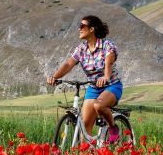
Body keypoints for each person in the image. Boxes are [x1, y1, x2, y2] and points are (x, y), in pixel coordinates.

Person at [47, 14, 123, 142]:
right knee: (85, 128)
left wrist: (106, 76)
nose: (79, 29)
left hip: (111, 85)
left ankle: (113, 128)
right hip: (93, 88)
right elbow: (68, 64)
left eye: (82, 26)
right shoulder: (81, 49)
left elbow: (109, 61)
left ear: (92, 29)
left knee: (99, 106)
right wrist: (54, 77)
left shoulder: (107, 45)